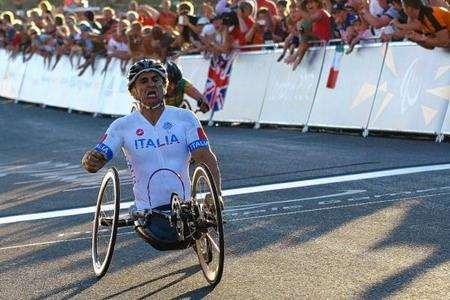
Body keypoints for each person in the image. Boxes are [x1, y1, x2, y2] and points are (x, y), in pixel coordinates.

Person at [81, 59, 222, 240]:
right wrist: (91, 160)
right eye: (144, 81)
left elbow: (205, 157)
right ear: (133, 92)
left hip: (186, 210)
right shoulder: (122, 126)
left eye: (156, 79)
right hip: (147, 212)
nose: (151, 84)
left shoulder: (186, 118)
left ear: (164, 86)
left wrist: (215, 194)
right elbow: (95, 161)